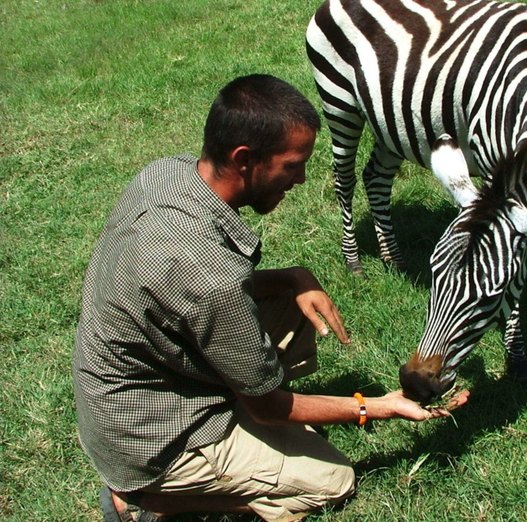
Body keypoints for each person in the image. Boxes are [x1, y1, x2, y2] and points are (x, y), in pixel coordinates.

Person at [72, 74, 468, 522]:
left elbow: (183, 295)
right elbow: (269, 402)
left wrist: (295, 277)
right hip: (148, 440)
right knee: (332, 481)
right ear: (245, 159)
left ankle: (236, 417)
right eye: (293, 164)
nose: (300, 178)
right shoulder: (209, 276)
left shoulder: (166, 174)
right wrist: (375, 406)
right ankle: (148, 500)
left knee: (290, 299)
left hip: (128, 384)